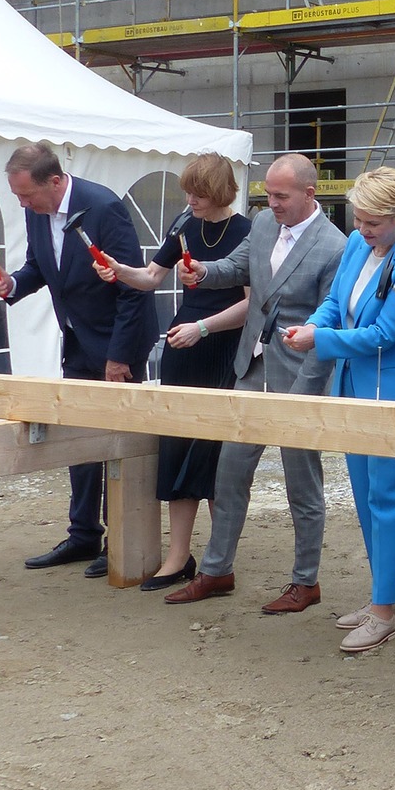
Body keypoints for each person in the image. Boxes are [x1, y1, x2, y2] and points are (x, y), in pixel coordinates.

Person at [160, 153, 345, 612]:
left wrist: (306, 393)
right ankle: (216, 570)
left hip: (299, 378)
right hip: (251, 367)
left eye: (281, 196)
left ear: (310, 192)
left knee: (302, 485)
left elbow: (329, 326)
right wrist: (203, 273)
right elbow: (237, 267)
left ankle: (306, 582)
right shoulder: (262, 224)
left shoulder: (335, 246)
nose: (272, 203)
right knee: (229, 474)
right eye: (268, 194)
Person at [282, 167, 395, 653]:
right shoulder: (356, 244)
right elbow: (335, 302)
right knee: (367, 493)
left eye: (373, 223)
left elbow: (385, 334)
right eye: (359, 220)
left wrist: (320, 340)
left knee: (388, 498)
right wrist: (311, 324)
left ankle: (384, 610)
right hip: (355, 384)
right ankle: (384, 596)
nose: (363, 230)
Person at [0, 143, 158, 579]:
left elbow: (133, 288)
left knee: (117, 442)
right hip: (77, 342)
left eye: (27, 196)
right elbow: (41, 268)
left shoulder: (104, 208)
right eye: (19, 198)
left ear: (56, 181)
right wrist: (10, 285)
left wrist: (119, 358)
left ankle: (119, 538)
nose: (23, 205)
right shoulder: (37, 210)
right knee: (79, 443)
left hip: (117, 342)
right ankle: (83, 534)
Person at [92, 153, 251, 592]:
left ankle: (220, 564)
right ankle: (179, 556)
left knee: (215, 461)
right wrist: (117, 269)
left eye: (197, 192)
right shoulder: (184, 224)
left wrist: (203, 327)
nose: (189, 199)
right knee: (176, 453)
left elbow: (253, 303)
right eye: (187, 191)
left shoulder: (245, 232)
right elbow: (149, 277)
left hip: (221, 351)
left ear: (219, 191)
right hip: (183, 350)